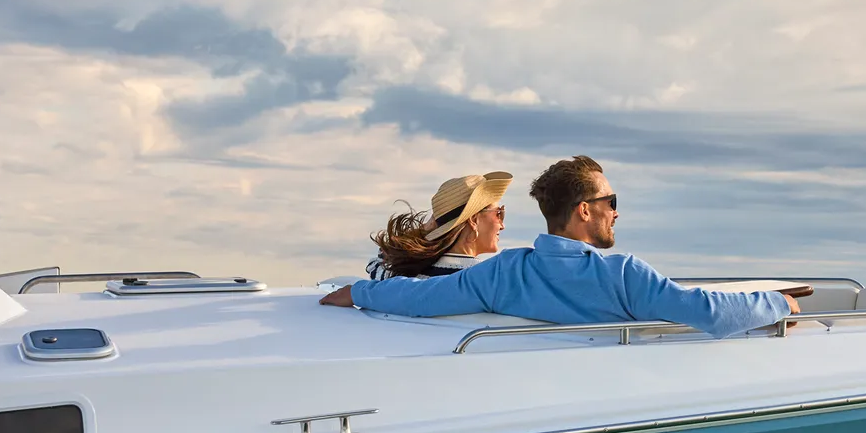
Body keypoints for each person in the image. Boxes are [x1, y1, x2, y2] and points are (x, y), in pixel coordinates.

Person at [322, 156, 798, 338]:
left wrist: (358, 292)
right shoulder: (624, 275)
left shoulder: (504, 271)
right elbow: (709, 313)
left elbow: (421, 298)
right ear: (584, 211)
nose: (616, 210)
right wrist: (780, 303)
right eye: (610, 200)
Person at [364, 171, 512, 280]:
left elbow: (377, 263)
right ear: (473, 220)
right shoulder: (489, 278)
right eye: (499, 213)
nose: (502, 225)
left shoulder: (404, 276)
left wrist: (428, 229)